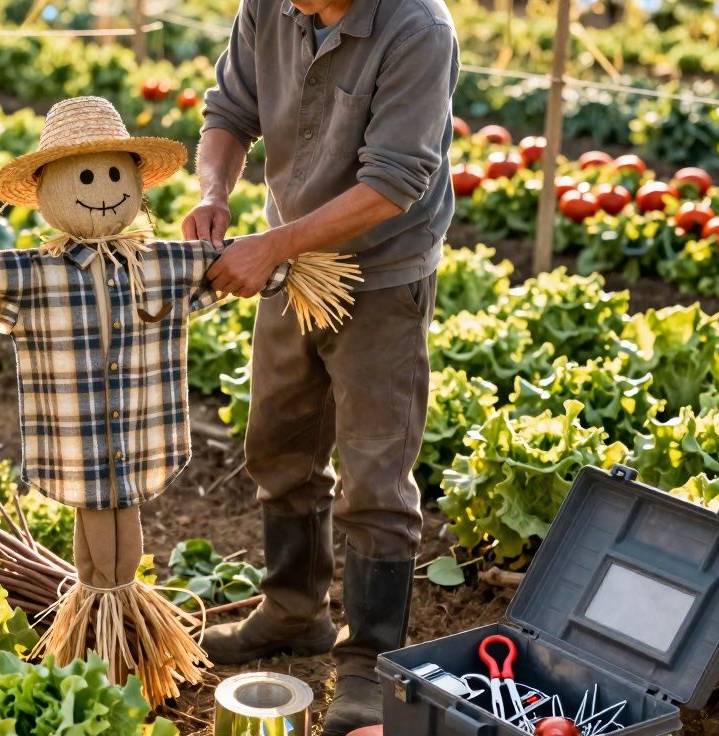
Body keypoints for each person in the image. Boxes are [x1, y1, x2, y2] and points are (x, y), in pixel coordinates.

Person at [184, 0, 459, 733]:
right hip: (294, 266)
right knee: (279, 444)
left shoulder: (417, 30)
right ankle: (293, 610)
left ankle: (370, 658)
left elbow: (394, 181)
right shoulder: (271, 8)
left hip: (381, 273)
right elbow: (228, 113)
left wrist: (272, 245)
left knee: (376, 473)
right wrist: (214, 193)